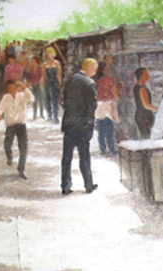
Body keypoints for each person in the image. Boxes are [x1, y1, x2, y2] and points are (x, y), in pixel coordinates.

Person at [60, 58, 99, 195]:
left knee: (67, 156)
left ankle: (65, 185)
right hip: (82, 125)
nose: (95, 72)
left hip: (69, 123)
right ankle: (88, 185)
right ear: (88, 67)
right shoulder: (90, 84)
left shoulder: (71, 79)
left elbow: (63, 99)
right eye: (94, 69)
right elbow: (92, 106)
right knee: (84, 156)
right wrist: (90, 122)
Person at [0, 79, 34, 179]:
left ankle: (21, 168)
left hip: (21, 124)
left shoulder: (22, 96)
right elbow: (1, 108)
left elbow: (31, 99)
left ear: (17, 88)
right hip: (11, 125)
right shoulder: (5, 98)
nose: (12, 90)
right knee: (7, 145)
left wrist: (24, 88)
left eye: (13, 88)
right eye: (9, 89)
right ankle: (9, 157)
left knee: (23, 147)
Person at [94, 61, 119, 155]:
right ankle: (112, 149)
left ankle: (103, 149)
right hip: (107, 105)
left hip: (98, 105)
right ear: (105, 69)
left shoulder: (95, 80)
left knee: (101, 129)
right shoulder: (109, 80)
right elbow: (115, 94)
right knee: (109, 129)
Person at [133, 67, 157, 139]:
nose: (148, 75)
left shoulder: (136, 87)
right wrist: (158, 109)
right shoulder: (142, 89)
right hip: (144, 116)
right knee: (147, 136)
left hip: (140, 115)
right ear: (142, 76)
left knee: (145, 136)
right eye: (146, 74)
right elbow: (146, 105)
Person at [42, 47, 62, 124]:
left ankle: (56, 116)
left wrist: (59, 83)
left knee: (55, 100)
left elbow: (59, 74)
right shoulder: (44, 64)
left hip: (55, 82)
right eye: (48, 53)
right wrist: (42, 83)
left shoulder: (57, 63)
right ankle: (49, 114)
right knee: (47, 99)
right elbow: (43, 75)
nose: (49, 55)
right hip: (47, 83)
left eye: (51, 53)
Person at [28, 56, 45, 120]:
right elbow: (29, 77)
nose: (32, 62)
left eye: (33, 61)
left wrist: (41, 83)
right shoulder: (31, 69)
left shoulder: (40, 68)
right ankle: (34, 114)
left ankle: (41, 114)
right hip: (33, 85)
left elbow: (43, 76)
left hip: (39, 85)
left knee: (40, 100)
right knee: (34, 100)